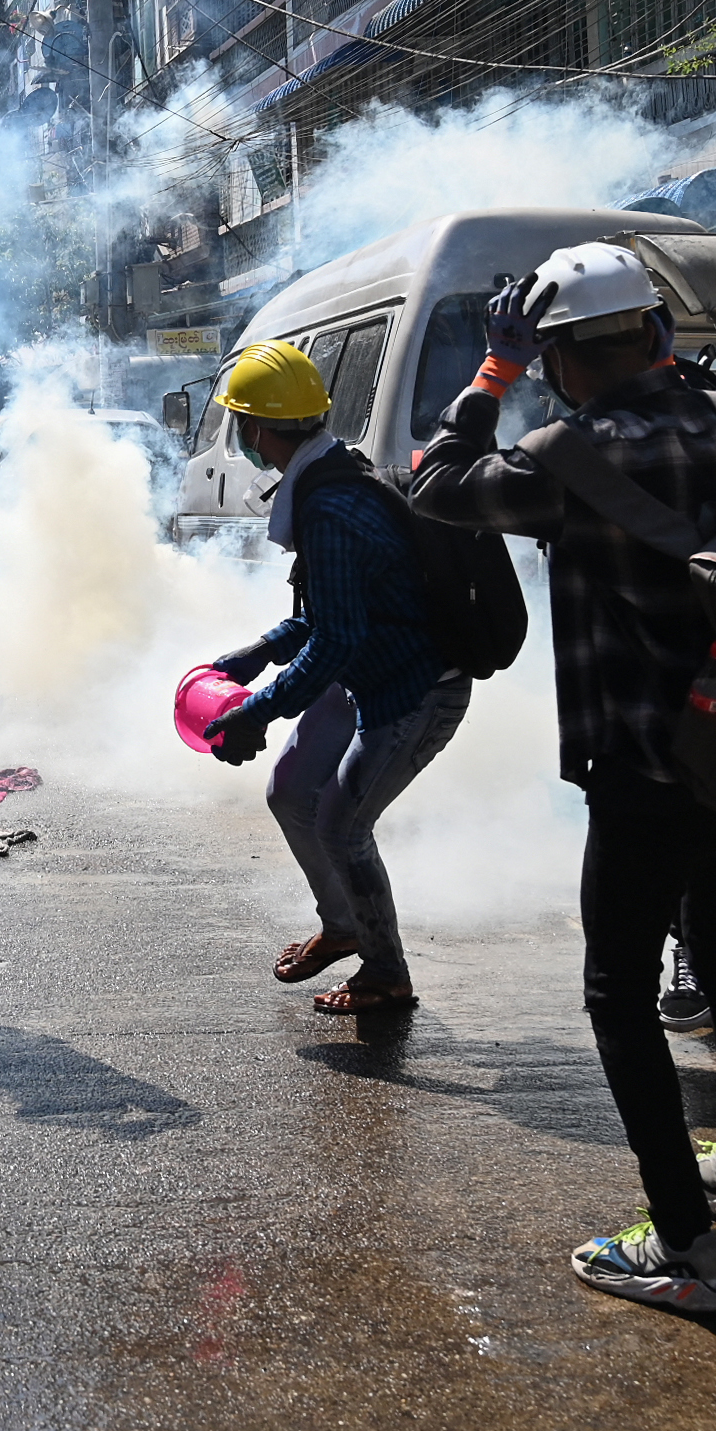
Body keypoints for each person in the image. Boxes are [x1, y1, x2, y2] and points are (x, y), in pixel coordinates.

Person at [413, 241, 716, 1315]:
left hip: (641, 764)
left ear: (550, 357)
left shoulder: (564, 455)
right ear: (657, 335)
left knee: (620, 997)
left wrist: (490, 374)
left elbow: (436, 484)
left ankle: (685, 1245)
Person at [197, 339, 472, 1016]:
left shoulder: (329, 508)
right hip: (367, 676)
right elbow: (334, 614)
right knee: (291, 792)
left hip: (415, 691)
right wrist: (261, 650)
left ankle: (385, 973)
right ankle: (344, 924)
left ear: (253, 429)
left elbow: (337, 637)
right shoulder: (329, 479)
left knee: (342, 826)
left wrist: (257, 709)